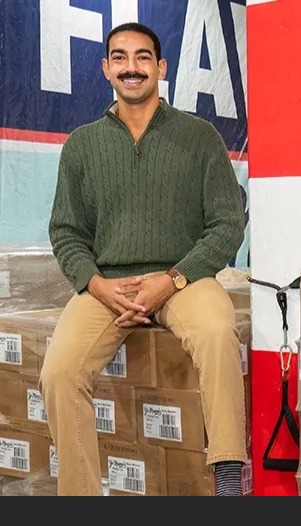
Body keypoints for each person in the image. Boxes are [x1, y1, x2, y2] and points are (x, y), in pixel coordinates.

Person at [43, 22, 247, 497]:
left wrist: (172, 280)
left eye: (141, 58)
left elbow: (227, 225)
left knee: (218, 332)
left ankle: (228, 477)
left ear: (161, 67)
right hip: (109, 285)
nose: (130, 67)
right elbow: (66, 232)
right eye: (119, 57)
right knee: (58, 374)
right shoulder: (81, 146)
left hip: (184, 279)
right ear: (106, 69)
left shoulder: (200, 138)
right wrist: (97, 286)